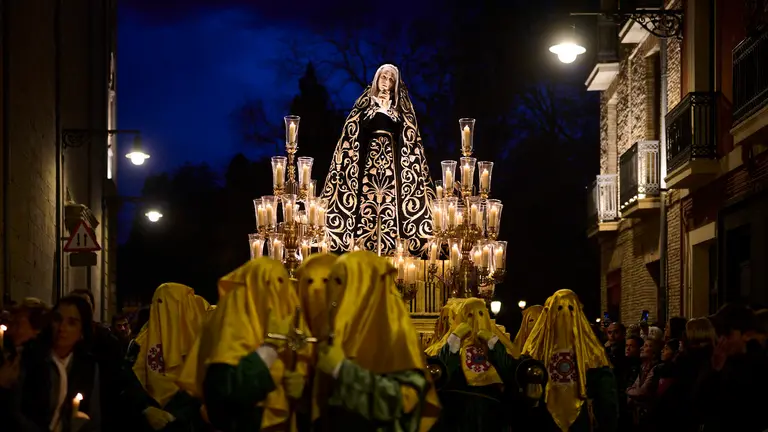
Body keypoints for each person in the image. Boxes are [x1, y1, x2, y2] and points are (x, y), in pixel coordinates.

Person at [312, 250, 440, 430]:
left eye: (341, 282)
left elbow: (405, 400)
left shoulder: (396, 330)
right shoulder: (340, 327)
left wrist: (342, 369)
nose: (332, 291)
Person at [320, 64, 435, 256]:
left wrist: (390, 112)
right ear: (377, 79)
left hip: (392, 167)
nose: (387, 81)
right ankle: (362, 245)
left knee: (391, 204)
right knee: (367, 202)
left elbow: (408, 137)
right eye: (384, 77)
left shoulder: (400, 110)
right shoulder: (365, 105)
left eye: (391, 79)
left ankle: (393, 247)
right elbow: (353, 133)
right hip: (368, 165)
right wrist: (374, 111)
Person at [189, 257, 311, 431]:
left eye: (281, 284)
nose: (275, 295)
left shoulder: (294, 331)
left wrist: (302, 393)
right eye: (267, 285)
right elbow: (222, 405)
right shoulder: (226, 337)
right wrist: (270, 348)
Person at [522, 289, 618, 432]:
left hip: (580, 416)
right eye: (559, 309)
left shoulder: (593, 351)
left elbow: (606, 395)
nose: (565, 315)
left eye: (570, 309)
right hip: (545, 417)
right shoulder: (536, 348)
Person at [122, 283, 208, 432]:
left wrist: (175, 415)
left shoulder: (196, 339)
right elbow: (128, 381)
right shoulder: (140, 342)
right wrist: (146, 409)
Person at [7, 295, 100, 431]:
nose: (62, 328)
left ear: (82, 332)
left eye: (72, 323)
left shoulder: (87, 365)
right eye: (57, 319)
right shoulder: (30, 357)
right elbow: (14, 411)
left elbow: (93, 418)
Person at [430, 297, 521, 432]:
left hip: (492, 414)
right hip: (458, 415)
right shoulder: (446, 347)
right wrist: (455, 339)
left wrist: (493, 345)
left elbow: (510, 372)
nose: (476, 321)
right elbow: (441, 372)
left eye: (481, 314)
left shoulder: (498, 347)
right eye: (469, 315)